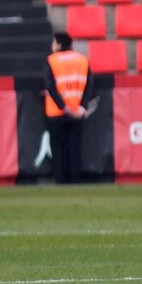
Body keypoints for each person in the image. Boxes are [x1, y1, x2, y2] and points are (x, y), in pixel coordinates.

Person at [43, 32, 94, 185]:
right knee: (75, 148)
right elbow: (89, 85)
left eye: (53, 42)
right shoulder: (82, 60)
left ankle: (60, 180)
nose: (52, 46)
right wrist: (82, 107)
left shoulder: (52, 60)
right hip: (77, 112)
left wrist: (63, 107)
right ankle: (75, 180)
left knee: (58, 148)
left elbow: (50, 86)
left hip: (56, 112)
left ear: (58, 44)